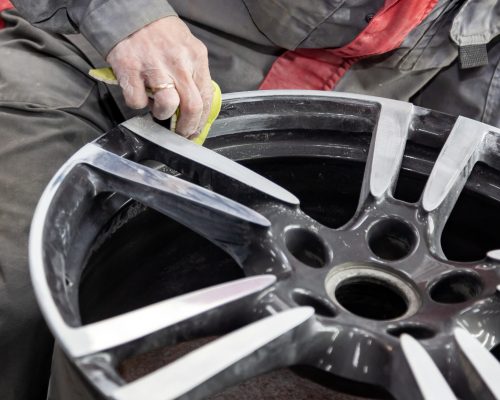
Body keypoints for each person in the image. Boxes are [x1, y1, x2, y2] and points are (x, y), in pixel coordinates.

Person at [1, 1, 500, 399]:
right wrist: (128, 16)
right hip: (93, 67)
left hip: (290, 158)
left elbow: (467, 151)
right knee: (15, 294)